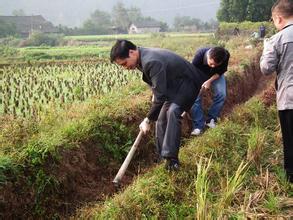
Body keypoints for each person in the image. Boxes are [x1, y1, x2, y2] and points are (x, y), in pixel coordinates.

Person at [110, 40, 207, 171]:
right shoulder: (140, 58)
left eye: (124, 64)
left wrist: (147, 119)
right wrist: (155, 93)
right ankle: (162, 156)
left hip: (188, 83)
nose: (125, 68)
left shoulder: (151, 61)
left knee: (173, 112)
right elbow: (157, 84)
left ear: (131, 52)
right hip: (173, 86)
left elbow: (160, 96)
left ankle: (172, 161)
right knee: (161, 119)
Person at [260, 0, 293, 183]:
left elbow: (266, 68)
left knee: (290, 141)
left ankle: (291, 178)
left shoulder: (277, 39)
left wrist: (266, 48)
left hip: (289, 99)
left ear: (278, 18)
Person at [190, 47, 230, 135]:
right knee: (195, 97)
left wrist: (209, 81)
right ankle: (198, 127)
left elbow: (220, 72)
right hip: (199, 73)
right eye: (211, 63)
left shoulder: (225, 55)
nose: (213, 66)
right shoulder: (199, 56)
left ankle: (210, 119)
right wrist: (200, 85)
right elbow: (192, 73)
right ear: (208, 57)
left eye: (216, 65)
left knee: (221, 94)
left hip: (215, 75)